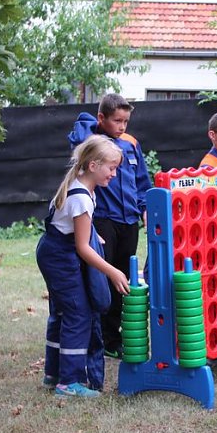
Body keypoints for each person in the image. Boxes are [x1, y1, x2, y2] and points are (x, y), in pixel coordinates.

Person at [37, 135, 131, 398]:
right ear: (93, 166)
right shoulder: (81, 197)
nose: (114, 174)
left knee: (62, 312)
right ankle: (69, 382)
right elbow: (82, 248)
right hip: (60, 258)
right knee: (78, 313)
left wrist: (94, 236)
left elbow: (78, 230)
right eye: (111, 168)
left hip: (55, 251)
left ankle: (53, 373)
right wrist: (111, 271)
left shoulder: (84, 188)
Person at [67, 94, 151, 359]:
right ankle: (98, 335)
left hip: (129, 221)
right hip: (103, 219)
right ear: (102, 118)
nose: (122, 126)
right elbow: (78, 131)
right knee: (102, 277)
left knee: (123, 278)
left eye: (126, 121)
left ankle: (114, 338)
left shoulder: (131, 144)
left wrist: (146, 208)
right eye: (117, 120)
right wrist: (97, 127)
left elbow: (142, 182)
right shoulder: (91, 140)